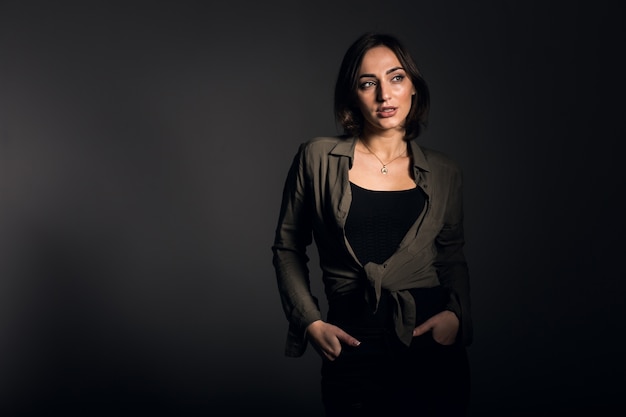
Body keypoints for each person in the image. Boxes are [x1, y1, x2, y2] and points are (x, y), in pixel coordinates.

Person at [271, 32, 472, 417]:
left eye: (396, 78)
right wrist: (310, 321)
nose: (385, 95)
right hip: (352, 343)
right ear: (353, 95)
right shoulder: (316, 158)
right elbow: (287, 248)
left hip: (431, 347)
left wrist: (457, 316)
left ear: (413, 87)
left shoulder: (446, 171)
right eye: (368, 83)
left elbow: (451, 256)